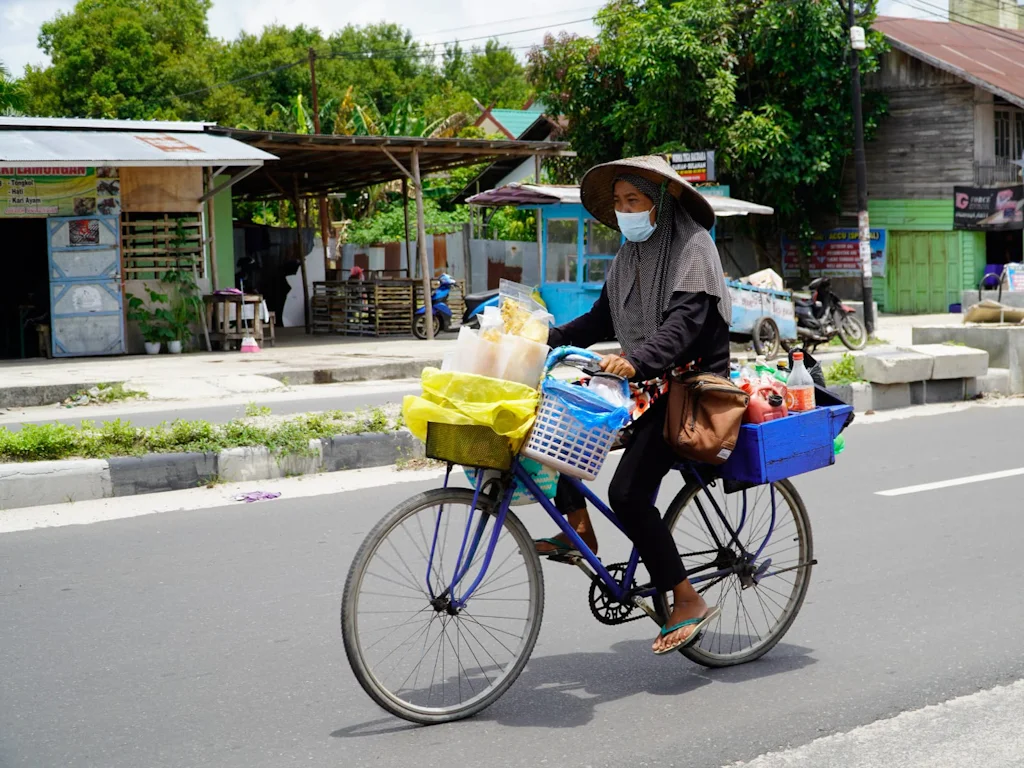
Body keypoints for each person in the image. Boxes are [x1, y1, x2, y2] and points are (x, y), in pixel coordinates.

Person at [536, 155, 732, 655]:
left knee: (627, 495)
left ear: (660, 203)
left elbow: (684, 328)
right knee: (563, 418)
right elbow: (601, 319)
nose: (625, 211)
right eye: (620, 203)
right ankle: (576, 524)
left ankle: (686, 598)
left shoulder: (695, 249)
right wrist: (544, 336)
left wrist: (636, 360)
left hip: (690, 388)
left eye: (634, 201)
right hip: (647, 378)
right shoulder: (629, 256)